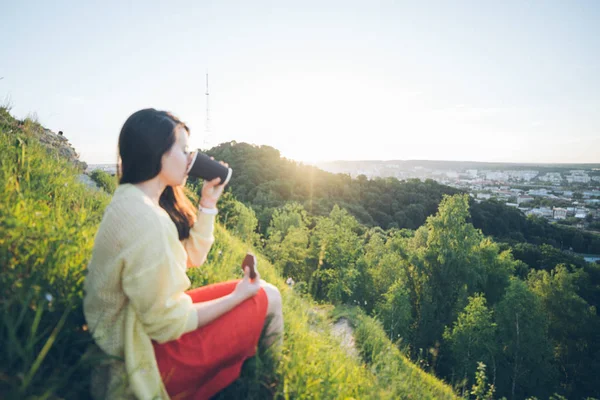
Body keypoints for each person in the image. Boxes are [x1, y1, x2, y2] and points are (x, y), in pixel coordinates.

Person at [83, 108, 284, 400]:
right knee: (269, 297)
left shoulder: (133, 200)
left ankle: (262, 376)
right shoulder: (148, 220)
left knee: (263, 290)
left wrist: (207, 203)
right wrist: (237, 296)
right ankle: (274, 383)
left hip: (133, 332)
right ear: (158, 154)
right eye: (184, 149)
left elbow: (191, 257)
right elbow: (167, 324)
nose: (190, 159)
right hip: (141, 358)